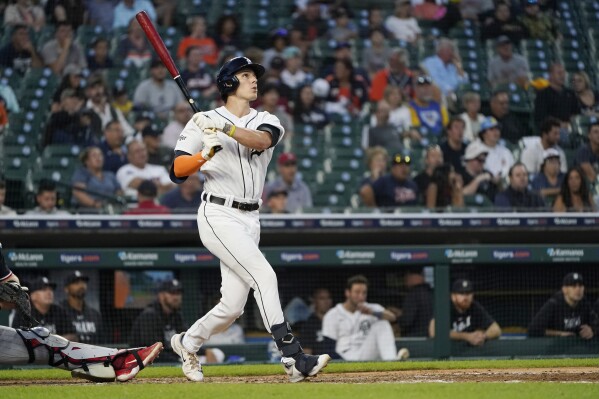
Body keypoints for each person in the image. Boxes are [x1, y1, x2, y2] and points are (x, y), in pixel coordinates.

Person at [168, 56, 330, 382]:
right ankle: (293, 357)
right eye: (245, 75)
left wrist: (225, 129)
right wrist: (205, 154)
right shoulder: (201, 121)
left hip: (251, 218)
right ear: (229, 82)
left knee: (232, 307)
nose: (254, 80)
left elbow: (263, 140)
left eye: (254, 75)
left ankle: (187, 342)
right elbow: (177, 172)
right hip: (217, 213)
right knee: (265, 276)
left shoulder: (267, 119)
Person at [0, 244, 163, 383]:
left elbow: (8, 287)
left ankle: (119, 360)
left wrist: (13, 289)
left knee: (41, 338)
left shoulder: (65, 311)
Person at [321, 275, 407, 361]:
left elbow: (392, 318)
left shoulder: (372, 308)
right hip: (345, 355)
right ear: (348, 293)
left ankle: (392, 361)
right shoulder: (332, 314)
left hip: (367, 352)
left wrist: (373, 313)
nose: (361, 296)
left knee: (382, 323)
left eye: (364, 292)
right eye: (357, 292)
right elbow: (329, 346)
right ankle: (392, 360)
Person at [429, 279, 501, 346]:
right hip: (445, 351)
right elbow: (433, 333)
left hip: (469, 353)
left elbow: (496, 329)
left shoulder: (474, 307)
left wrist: (482, 337)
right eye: (461, 293)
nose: (466, 297)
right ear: (453, 296)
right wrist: (467, 337)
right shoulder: (445, 307)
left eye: (468, 293)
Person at [528, 272, 594, 339]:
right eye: (573, 286)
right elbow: (533, 330)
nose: (578, 289)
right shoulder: (554, 304)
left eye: (580, 286)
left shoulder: (585, 303)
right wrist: (560, 334)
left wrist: (592, 330)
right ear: (564, 290)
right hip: (555, 346)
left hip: (578, 346)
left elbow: (595, 324)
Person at [11, 276, 76, 340]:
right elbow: (17, 338)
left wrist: (49, 340)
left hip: (55, 350)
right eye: (44, 290)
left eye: (50, 289)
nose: (49, 293)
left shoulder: (59, 311)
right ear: (33, 296)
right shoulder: (23, 313)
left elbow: (73, 336)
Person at [71, 146, 122, 211]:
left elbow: (119, 192)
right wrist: (95, 204)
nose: (98, 158)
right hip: (87, 211)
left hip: (110, 210)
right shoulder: (81, 173)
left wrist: (116, 202)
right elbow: (78, 193)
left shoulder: (110, 175)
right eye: (94, 155)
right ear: (87, 161)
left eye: (100, 155)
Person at [534, 63, 580, 131]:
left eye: (563, 73)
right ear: (551, 75)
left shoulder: (570, 93)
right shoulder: (543, 94)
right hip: (552, 129)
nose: (562, 75)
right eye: (559, 73)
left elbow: (576, 113)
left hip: (570, 128)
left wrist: (572, 123)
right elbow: (541, 117)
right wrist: (560, 124)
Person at [61, 270, 103, 344]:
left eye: (83, 282)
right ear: (66, 289)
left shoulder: (95, 314)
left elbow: (102, 341)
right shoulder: (58, 311)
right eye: (76, 283)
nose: (81, 286)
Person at [408, 75, 449, 139]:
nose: (426, 90)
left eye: (428, 86)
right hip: (423, 139)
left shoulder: (439, 106)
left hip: (441, 138)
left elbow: (446, 125)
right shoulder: (411, 107)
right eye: (422, 87)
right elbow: (416, 127)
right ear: (416, 89)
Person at [396, 268, 433, 337]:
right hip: (430, 339)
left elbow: (406, 321)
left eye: (406, 276)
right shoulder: (432, 292)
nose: (405, 280)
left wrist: (398, 318)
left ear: (412, 276)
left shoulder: (414, 294)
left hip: (415, 340)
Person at [295, 288, 333, 355]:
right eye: (322, 298)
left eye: (328, 298)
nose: (326, 301)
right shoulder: (309, 326)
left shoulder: (338, 321)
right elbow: (307, 354)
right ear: (315, 301)